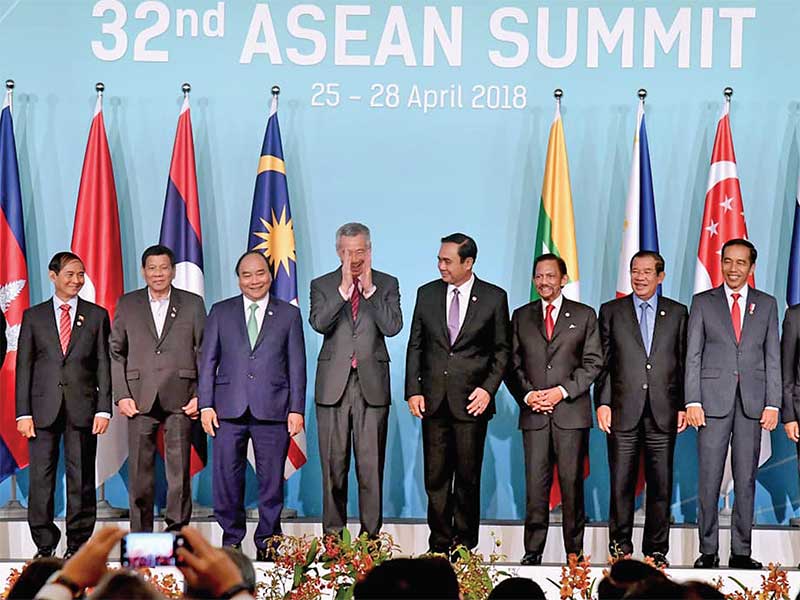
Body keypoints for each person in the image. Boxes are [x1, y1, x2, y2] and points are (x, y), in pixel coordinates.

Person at [405, 233, 510, 553]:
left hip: (472, 402)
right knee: (435, 479)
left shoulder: (493, 297)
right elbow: (416, 346)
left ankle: (465, 544)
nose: (441, 266)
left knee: (467, 478)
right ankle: (438, 545)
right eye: (439, 259)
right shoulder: (427, 293)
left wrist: (488, 390)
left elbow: (502, 350)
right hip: (433, 402)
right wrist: (413, 390)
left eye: (447, 261)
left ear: (469, 262)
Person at [199, 251, 306, 560]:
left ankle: (268, 545)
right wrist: (206, 404)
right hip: (227, 410)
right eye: (247, 275)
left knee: (271, 483)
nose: (254, 280)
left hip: (273, 410)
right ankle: (231, 543)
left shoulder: (288, 314)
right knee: (227, 482)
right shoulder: (221, 312)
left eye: (259, 273)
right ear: (239, 279)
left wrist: (296, 409)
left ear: (269, 276)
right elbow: (207, 362)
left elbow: (297, 366)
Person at [686, 238, 780, 569]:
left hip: (753, 405)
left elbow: (773, 358)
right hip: (711, 403)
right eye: (728, 261)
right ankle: (708, 551)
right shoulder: (702, 302)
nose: (733, 268)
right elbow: (693, 355)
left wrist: (774, 404)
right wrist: (692, 399)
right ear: (720, 263)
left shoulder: (767, 305)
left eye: (741, 263)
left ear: (751, 268)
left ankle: (741, 551)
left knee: (746, 480)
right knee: (709, 478)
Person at [505, 253, 601, 565]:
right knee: (535, 486)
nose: (543, 282)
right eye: (538, 276)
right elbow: (511, 363)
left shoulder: (585, 315)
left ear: (563, 279)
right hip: (534, 414)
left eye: (550, 276)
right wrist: (530, 395)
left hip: (570, 414)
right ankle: (533, 551)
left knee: (572, 486)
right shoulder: (521, 316)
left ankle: (575, 553)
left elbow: (593, 363)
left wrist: (561, 392)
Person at [595, 250, 688, 567]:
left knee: (660, 485)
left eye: (648, 272)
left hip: (664, 411)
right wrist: (603, 401)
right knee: (621, 483)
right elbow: (604, 363)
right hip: (622, 410)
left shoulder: (677, 313)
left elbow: (684, 362)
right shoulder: (611, 311)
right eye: (635, 271)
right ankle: (620, 547)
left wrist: (682, 405)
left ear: (660, 277)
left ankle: (656, 550)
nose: (640, 277)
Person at [15, 252, 111, 559]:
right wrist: (23, 412)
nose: (76, 280)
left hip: (83, 409)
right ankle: (44, 545)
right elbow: (24, 367)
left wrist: (103, 408)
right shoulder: (34, 316)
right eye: (70, 274)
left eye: (81, 274)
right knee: (41, 480)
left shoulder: (96, 316)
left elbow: (103, 365)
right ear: (53, 275)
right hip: (42, 411)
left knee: (81, 479)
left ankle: (77, 545)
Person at [309, 223, 402, 539]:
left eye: (360, 251)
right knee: (333, 470)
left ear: (370, 250)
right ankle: (333, 540)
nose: (355, 258)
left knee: (370, 470)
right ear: (339, 252)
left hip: (371, 387)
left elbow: (392, 327)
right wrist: (344, 290)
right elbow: (319, 323)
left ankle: (370, 540)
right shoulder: (322, 285)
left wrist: (371, 292)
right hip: (333, 388)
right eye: (348, 252)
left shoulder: (387, 284)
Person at [110, 245, 206, 533]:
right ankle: (141, 537)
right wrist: (122, 394)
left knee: (179, 475)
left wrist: (201, 394)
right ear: (143, 271)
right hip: (139, 398)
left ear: (173, 270)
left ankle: (176, 532)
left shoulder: (192, 304)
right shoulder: (128, 304)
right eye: (152, 268)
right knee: (140, 474)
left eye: (164, 267)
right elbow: (115, 351)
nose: (158, 273)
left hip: (182, 397)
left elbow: (205, 350)